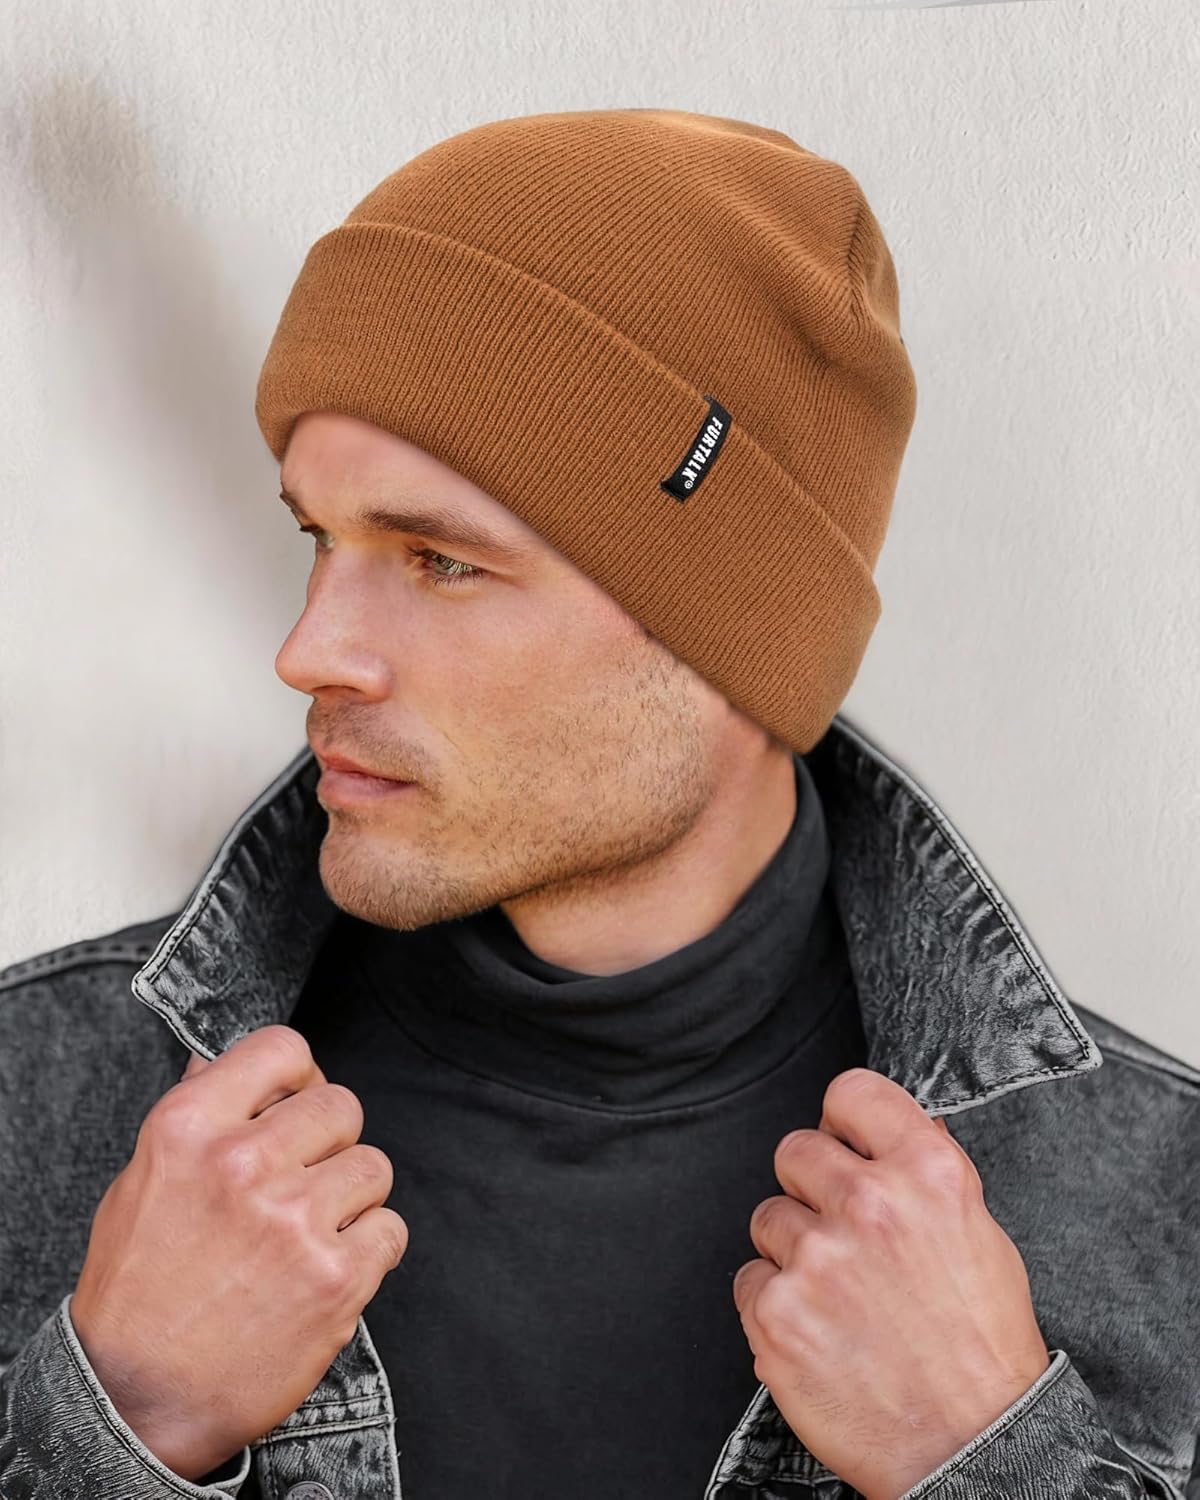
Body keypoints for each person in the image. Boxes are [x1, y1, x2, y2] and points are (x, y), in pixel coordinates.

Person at [1, 108, 1196, 1500]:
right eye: (319, 536)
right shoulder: (35, 1099)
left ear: (738, 635)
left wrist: (994, 1464)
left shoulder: (1159, 1208)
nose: (310, 649)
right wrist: (123, 1427)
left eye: (442, 561)